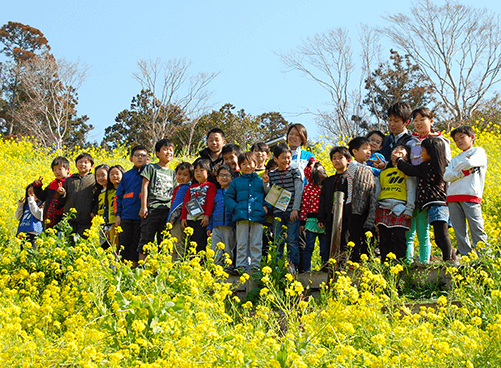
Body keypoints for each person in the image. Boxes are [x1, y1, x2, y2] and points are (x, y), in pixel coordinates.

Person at [397, 137, 455, 261]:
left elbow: (410, 170)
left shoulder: (428, 165)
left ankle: (448, 262)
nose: (420, 153)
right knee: (440, 238)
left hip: (437, 205)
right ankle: (452, 256)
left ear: (431, 152)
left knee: (442, 235)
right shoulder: (441, 164)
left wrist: (399, 160)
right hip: (440, 204)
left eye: (423, 150)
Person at [405, 107, 451, 263]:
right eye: (415, 121)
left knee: (437, 231)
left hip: (435, 194)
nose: (418, 123)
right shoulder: (411, 142)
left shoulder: (441, 141)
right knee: (413, 231)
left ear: (431, 121)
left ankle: (444, 259)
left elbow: (447, 168)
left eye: (422, 120)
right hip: (416, 190)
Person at [444, 125, 488, 256]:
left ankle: (484, 257)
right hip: (452, 197)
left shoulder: (478, 151)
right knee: (459, 231)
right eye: (456, 140)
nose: (459, 141)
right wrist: (461, 172)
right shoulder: (455, 158)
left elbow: (471, 163)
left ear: (472, 137)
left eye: (462, 137)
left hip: (470, 196)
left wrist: (455, 170)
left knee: (477, 228)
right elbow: (446, 176)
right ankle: (466, 256)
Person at [263, 143, 303, 273]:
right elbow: (270, 194)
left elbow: (298, 191)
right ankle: (277, 265)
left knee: (292, 240)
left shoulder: (294, 171)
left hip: (292, 211)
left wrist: (295, 209)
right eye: (283, 157)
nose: (287, 160)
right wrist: (265, 182)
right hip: (278, 212)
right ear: (275, 159)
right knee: (277, 240)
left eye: (289, 157)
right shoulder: (272, 174)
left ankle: (293, 265)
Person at [225, 152, 267, 274]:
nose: (247, 166)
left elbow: (270, 195)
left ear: (256, 164)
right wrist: (236, 208)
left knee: (256, 242)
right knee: (241, 243)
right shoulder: (236, 182)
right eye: (244, 164)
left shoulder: (261, 181)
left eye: (250, 163)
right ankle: (241, 266)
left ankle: (255, 266)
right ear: (240, 166)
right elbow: (228, 197)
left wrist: (266, 208)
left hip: (257, 216)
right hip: (241, 216)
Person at [138, 139, 177, 262]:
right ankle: (141, 267)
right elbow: (144, 187)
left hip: (167, 210)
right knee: (146, 238)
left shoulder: (173, 173)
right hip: (152, 209)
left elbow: (175, 192)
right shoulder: (151, 168)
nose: (168, 152)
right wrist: (143, 206)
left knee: (164, 241)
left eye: (171, 150)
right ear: (158, 153)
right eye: (165, 149)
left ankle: (161, 269)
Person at [375, 145, 416, 261]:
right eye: (395, 151)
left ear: (406, 158)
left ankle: (400, 265)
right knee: (384, 239)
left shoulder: (407, 171)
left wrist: (409, 209)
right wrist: (374, 208)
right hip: (383, 206)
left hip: (401, 207)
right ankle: (385, 265)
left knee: (399, 238)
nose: (397, 152)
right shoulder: (383, 172)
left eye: (401, 152)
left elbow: (411, 190)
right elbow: (378, 191)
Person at [115, 145, 150, 265]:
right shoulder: (126, 175)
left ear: (148, 159)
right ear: (131, 159)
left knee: (138, 242)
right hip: (126, 215)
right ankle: (123, 268)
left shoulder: (151, 174)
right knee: (124, 243)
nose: (140, 158)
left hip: (142, 216)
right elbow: (118, 196)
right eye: (137, 155)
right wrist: (118, 215)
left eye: (143, 155)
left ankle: (136, 268)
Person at [318, 146, 351, 265]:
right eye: (334, 158)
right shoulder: (328, 181)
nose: (336, 161)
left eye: (340, 158)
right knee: (329, 241)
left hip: (346, 217)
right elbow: (323, 200)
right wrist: (321, 217)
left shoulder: (350, 178)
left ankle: (342, 265)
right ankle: (329, 265)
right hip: (330, 216)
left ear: (348, 160)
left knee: (344, 240)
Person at [346, 137, 377, 262]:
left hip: (365, 204)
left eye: (370, 150)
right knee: (355, 234)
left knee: (366, 233)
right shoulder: (353, 165)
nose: (368, 152)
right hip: (353, 204)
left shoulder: (366, 167)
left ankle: (364, 258)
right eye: (364, 149)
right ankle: (354, 260)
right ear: (354, 152)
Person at [180, 158, 217, 253]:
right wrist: (183, 217)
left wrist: (207, 216)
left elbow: (210, 202)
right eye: (196, 171)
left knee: (200, 242)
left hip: (202, 218)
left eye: (201, 170)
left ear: (208, 172)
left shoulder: (211, 186)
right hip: (190, 218)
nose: (198, 173)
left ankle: (200, 263)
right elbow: (185, 203)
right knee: (190, 242)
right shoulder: (191, 187)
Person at [57, 152, 96, 238]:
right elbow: (62, 200)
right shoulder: (69, 180)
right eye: (80, 162)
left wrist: (94, 211)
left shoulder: (94, 179)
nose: (83, 164)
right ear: (76, 165)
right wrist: (61, 193)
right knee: (68, 243)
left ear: (91, 166)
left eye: (86, 162)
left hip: (86, 219)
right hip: (69, 219)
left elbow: (97, 198)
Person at [300, 158, 328, 272]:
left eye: (325, 170)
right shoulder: (309, 188)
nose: (324, 173)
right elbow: (305, 206)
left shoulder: (328, 186)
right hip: (311, 220)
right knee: (309, 246)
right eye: (321, 171)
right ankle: (306, 269)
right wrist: (302, 222)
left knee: (324, 247)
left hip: (325, 220)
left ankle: (325, 268)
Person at [208, 165, 236, 269]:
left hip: (229, 225)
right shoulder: (216, 193)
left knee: (228, 247)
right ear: (217, 178)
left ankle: (228, 266)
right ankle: (216, 266)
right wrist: (209, 227)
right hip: (216, 225)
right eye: (221, 175)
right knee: (215, 247)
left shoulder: (234, 192)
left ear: (232, 178)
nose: (224, 178)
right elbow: (212, 211)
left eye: (227, 175)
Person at [32, 156, 70, 230]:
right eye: (55, 170)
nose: (57, 172)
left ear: (67, 169)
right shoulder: (53, 183)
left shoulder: (71, 182)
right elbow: (42, 197)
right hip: (48, 220)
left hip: (62, 221)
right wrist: (37, 187)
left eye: (60, 169)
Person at [167, 162, 194, 261]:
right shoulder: (178, 188)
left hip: (178, 220)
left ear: (191, 177)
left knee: (178, 245)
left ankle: (177, 264)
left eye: (185, 175)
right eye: (179, 174)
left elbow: (178, 207)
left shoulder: (184, 188)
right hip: (177, 220)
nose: (181, 177)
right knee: (175, 244)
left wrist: (171, 220)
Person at [105, 165, 124, 250]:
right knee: (114, 248)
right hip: (111, 223)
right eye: (112, 174)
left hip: (124, 221)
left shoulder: (126, 190)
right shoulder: (107, 192)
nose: (114, 176)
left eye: (117, 173)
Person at [92, 164, 110, 248]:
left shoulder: (114, 190)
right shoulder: (98, 191)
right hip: (101, 224)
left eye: (103, 175)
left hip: (111, 223)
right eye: (98, 176)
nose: (100, 178)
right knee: (103, 247)